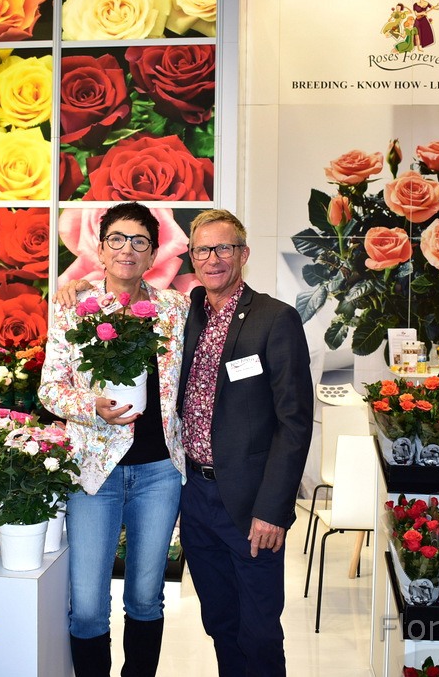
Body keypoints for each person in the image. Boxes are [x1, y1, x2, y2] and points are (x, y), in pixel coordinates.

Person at [38, 202, 188, 677]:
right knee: (86, 605)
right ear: (100, 250)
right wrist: (91, 407)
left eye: (140, 241)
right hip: (94, 470)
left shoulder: (176, 309)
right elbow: (49, 389)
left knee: (146, 596)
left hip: (160, 472)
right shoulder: (74, 307)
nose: (128, 249)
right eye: (117, 240)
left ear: (153, 255)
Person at [177, 209, 312, 677]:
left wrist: (273, 508)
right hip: (196, 497)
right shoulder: (187, 314)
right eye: (203, 249)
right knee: (220, 621)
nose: (213, 258)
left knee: (259, 631)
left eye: (224, 248)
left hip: (252, 504)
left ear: (243, 253)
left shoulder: (275, 318)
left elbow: (294, 423)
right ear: (192, 257)